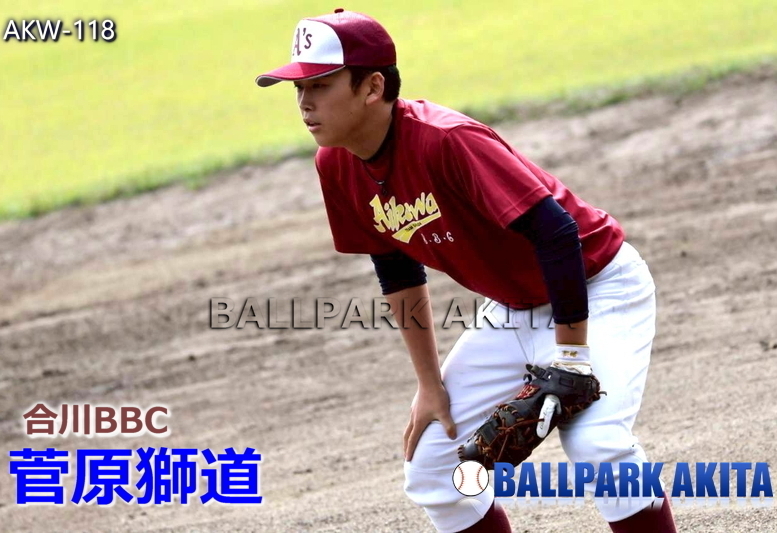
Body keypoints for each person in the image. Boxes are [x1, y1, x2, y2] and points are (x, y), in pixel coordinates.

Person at [256, 9, 678, 533]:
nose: (304, 101)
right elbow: (395, 268)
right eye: (298, 87)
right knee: (431, 468)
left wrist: (571, 357)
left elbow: (557, 234)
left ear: (372, 87)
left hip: (595, 289)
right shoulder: (336, 164)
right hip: (512, 309)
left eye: (320, 85)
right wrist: (430, 385)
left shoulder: (447, 140)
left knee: (596, 446)